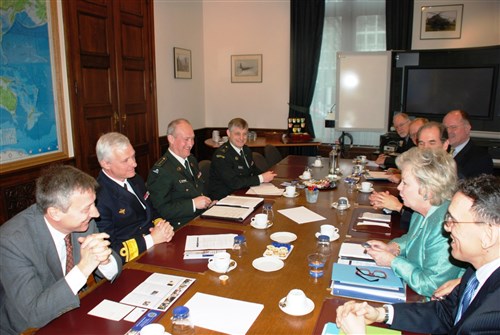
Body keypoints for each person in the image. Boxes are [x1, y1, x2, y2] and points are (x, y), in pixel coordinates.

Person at [336, 174, 500, 335]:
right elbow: (446, 313)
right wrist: (380, 313)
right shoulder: (477, 271)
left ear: (488, 236)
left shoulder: (492, 315)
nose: (446, 227)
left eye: (454, 221)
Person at [0, 165, 122, 334]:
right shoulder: (12, 242)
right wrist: (83, 268)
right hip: (29, 329)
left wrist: (105, 260)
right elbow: (33, 314)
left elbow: (114, 268)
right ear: (55, 213)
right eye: (86, 208)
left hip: (73, 312)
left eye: (93, 204)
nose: (95, 213)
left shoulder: (83, 223)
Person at [366, 148, 465, 298]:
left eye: (405, 183)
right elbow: (413, 238)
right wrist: (393, 247)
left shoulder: (446, 227)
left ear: (427, 190)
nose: (399, 187)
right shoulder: (421, 211)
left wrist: (393, 262)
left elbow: (433, 286)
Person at [95, 132, 174, 264]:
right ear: (106, 164)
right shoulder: (99, 197)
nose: (134, 164)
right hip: (131, 261)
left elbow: (151, 210)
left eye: (133, 156)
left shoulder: (134, 179)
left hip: (156, 246)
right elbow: (110, 249)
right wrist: (152, 239)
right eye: (126, 160)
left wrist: (162, 226)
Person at [147, 119, 213, 229]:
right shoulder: (162, 170)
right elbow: (160, 210)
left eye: (192, 138)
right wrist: (193, 204)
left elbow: (198, 189)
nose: (191, 144)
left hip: (201, 217)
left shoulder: (191, 160)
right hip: (182, 226)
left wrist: (209, 202)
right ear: (171, 139)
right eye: (186, 139)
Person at [208, 117, 277, 200]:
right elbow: (234, 182)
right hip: (224, 198)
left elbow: (253, 170)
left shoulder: (246, 149)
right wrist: (261, 178)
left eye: (244, 134)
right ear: (228, 133)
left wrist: (267, 177)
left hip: (242, 192)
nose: (241, 138)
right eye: (237, 134)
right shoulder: (221, 156)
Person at [443, 110, 493, 179]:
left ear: (467, 128)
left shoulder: (481, 158)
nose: (448, 131)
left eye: (453, 127)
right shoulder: (440, 151)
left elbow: (477, 188)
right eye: (445, 128)